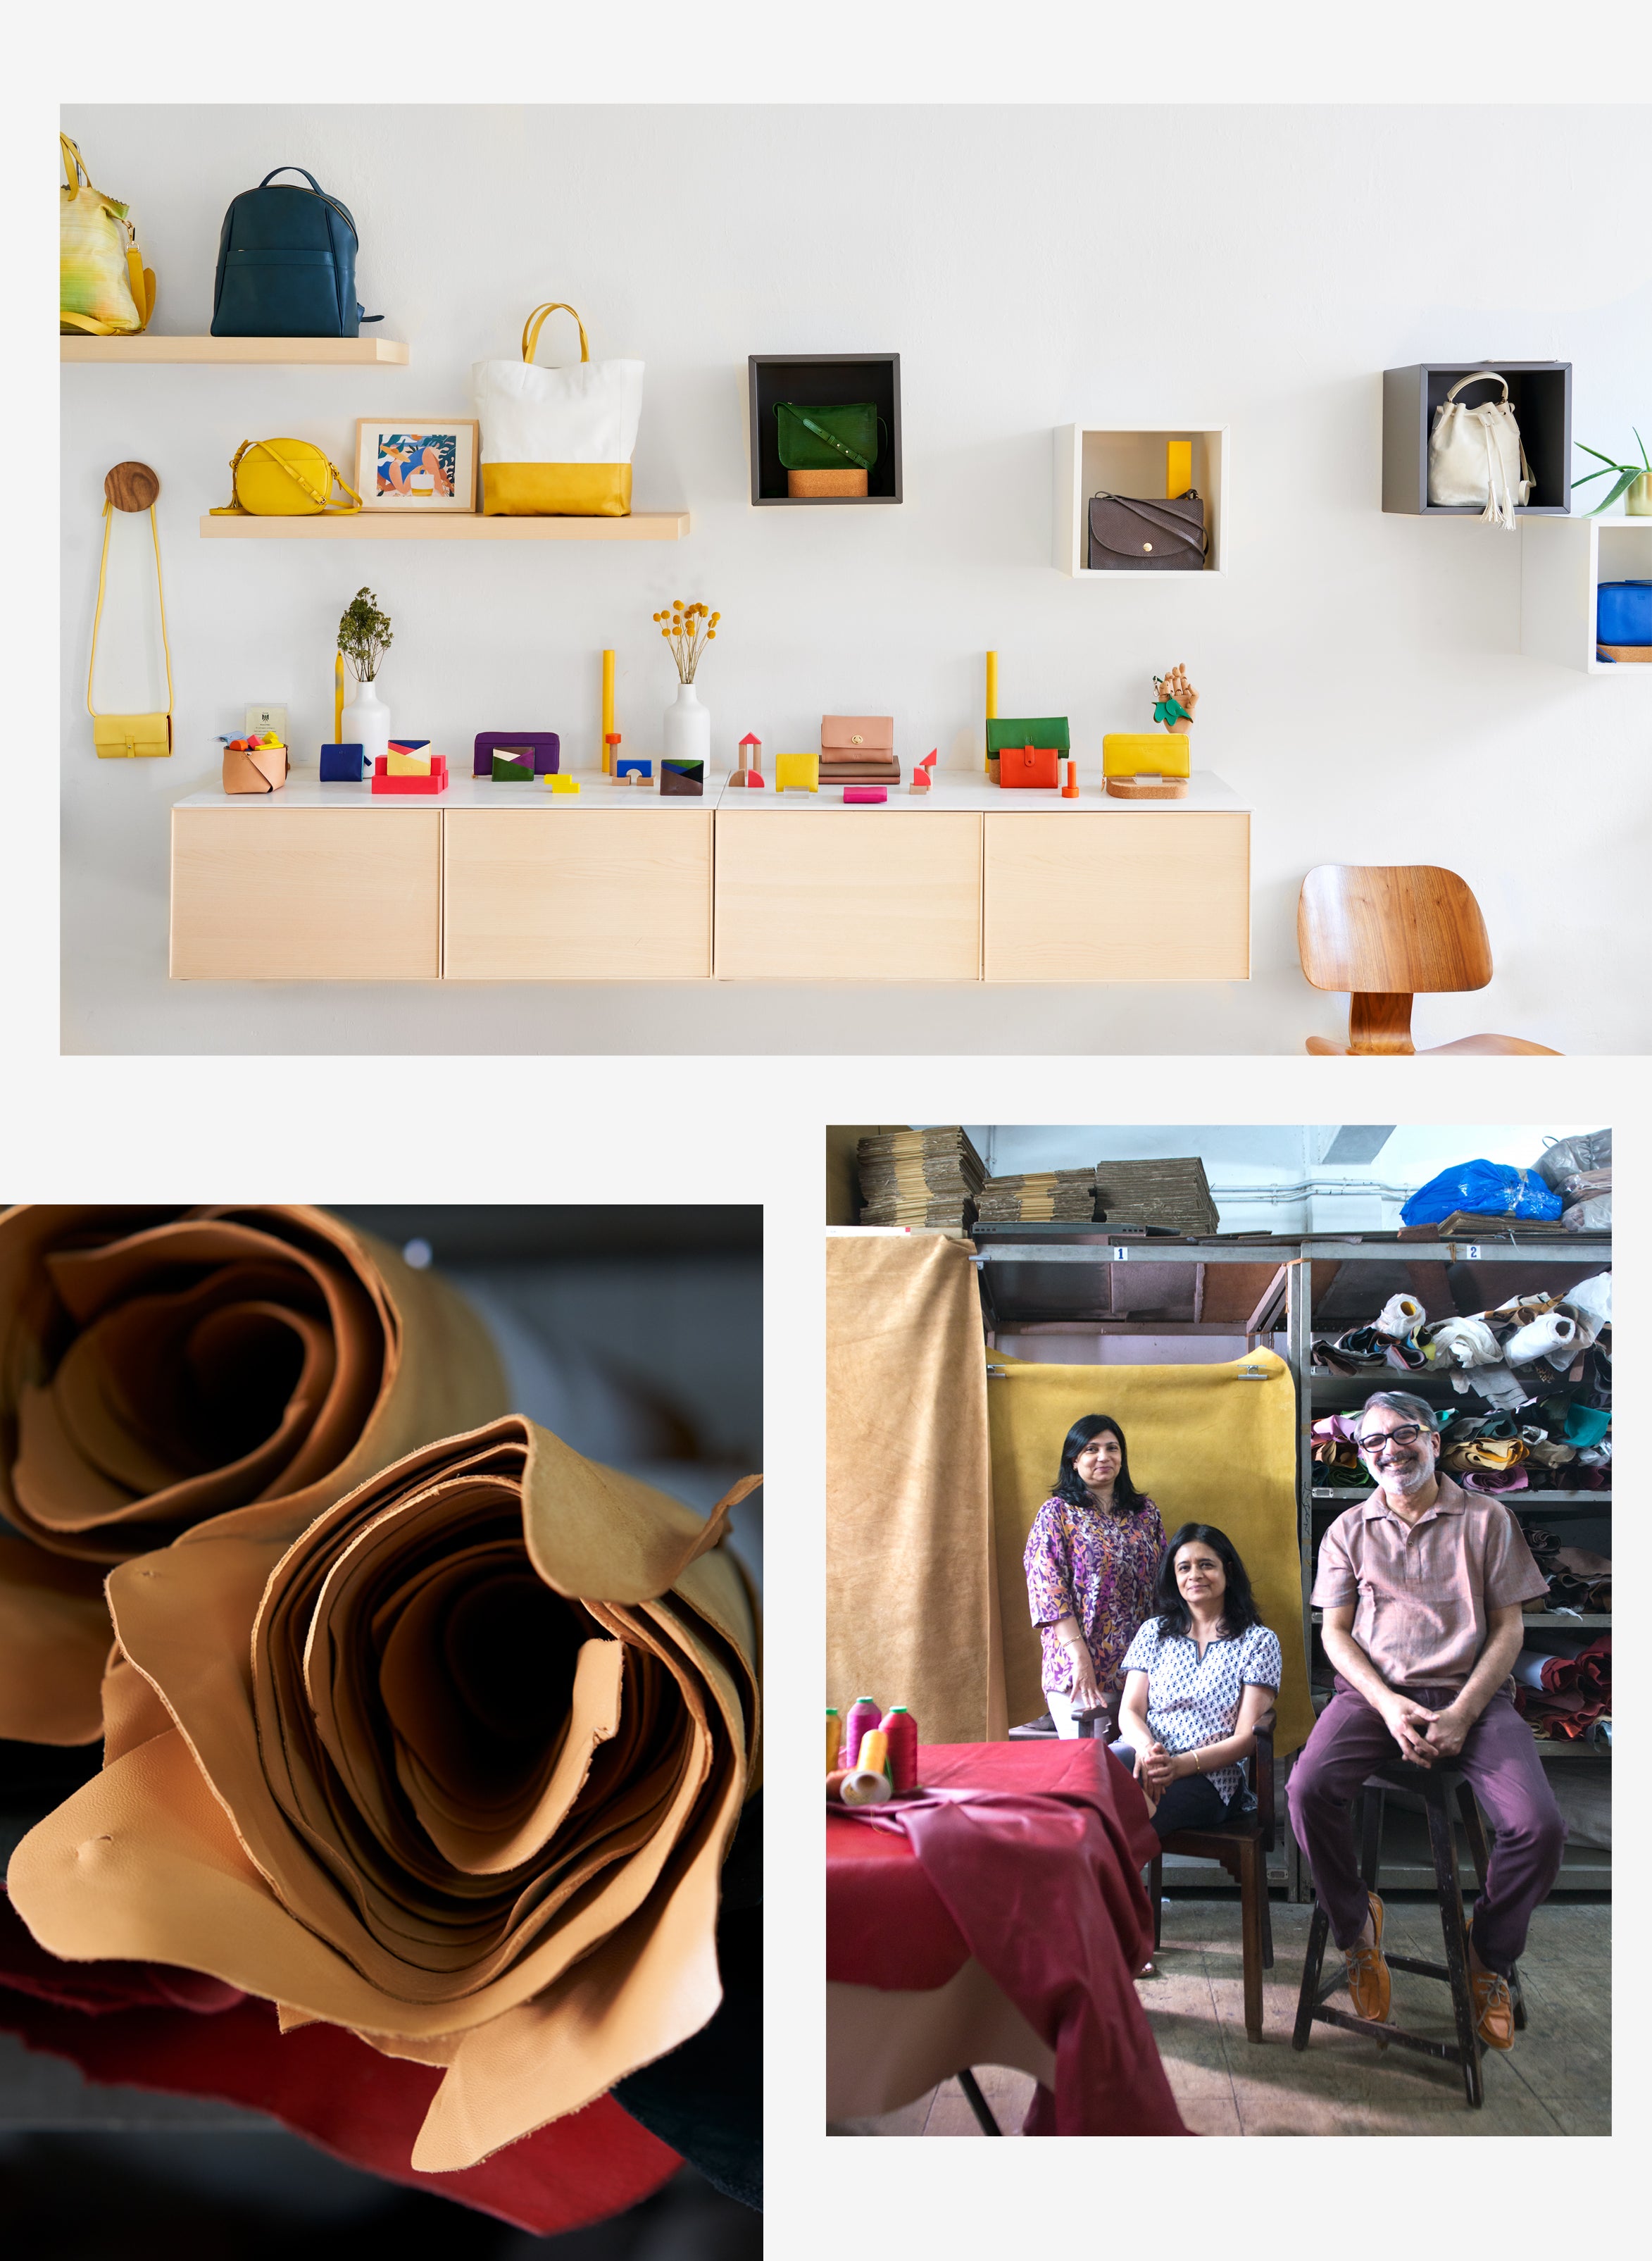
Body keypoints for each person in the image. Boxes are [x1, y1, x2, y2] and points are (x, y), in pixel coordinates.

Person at [1286, 1389, 1565, 2053]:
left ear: (1434, 1438)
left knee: (1538, 1826)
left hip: (1473, 1696)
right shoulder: (1349, 1529)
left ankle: (1489, 1954)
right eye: (1372, 1442)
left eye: (1402, 1433)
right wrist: (1384, 1702)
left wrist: (1465, 1712)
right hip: (1374, 1696)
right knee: (1305, 1790)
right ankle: (1357, 1928)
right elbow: (1336, 1635)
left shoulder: (1488, 1519)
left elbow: (1509, 1629)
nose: (1388, 1450)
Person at [1117, 1525, 1282, 1839]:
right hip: (1144, 1754)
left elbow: (1247, 1739)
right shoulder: (1154, 1632)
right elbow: (1131, 1711)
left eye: (1206, 1564)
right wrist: (1148, 1749)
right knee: (1090, 1781)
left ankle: (1113, 1890)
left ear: (1228, 1572)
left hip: (1212, 1777)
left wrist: (1177, 1766)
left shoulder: (1258, 1642)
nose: (1195, 1575)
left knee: (1122, 1817)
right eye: (1184, 1567)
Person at [1023, 1415, 1166, 1739]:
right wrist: (1081, 1660)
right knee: (1093, 1770)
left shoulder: (1145, 1513)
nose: (1104, 1457)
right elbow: (1049, 1594)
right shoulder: (1056, 1514)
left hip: (1142, 1670)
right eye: (1091, 1449)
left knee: (1138, 1770)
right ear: (1074, 1461)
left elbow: (1165, 1585)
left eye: (1112, 1448)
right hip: (1080, 1671)